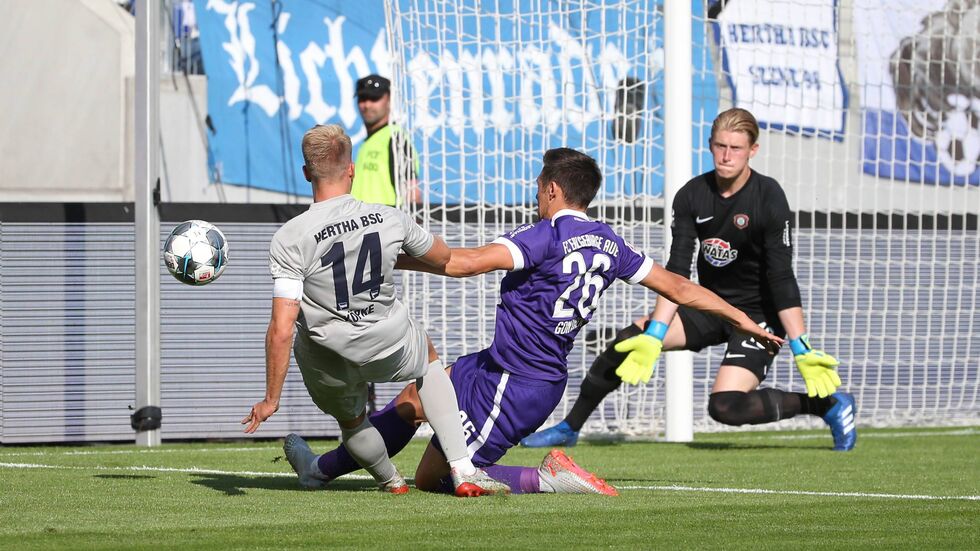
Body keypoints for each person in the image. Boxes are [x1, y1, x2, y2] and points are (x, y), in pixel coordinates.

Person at [282, 147, 784, 496]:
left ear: (552, 189)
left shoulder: (544, 235)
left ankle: (547, 479)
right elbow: (679, 286)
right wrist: (740, 317)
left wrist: (384, 256)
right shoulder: (611, 243)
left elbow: (462, 263)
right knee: (413, 400)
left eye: (539, 189)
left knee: (437, 478)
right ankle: (319, 470)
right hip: (500, 366)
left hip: (517, 383)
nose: (536, 197)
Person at [521, 108, 857, 452]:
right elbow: (677, 271)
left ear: (752, 151)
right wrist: (654, 334)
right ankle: (570, 428)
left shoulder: (768, 196)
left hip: (758, 316)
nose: (726, 156)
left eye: (736, 148)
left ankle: (828, 406)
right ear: (710, 145)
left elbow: (781, 276)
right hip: (711, 306)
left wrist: (801, 346)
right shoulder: (692, 195)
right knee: (627, 342)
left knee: (725, 407)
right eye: (720, 146)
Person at [241, 124, 509, 497]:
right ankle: (463, 470)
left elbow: (281, 328)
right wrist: (394, 254)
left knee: (352, 420)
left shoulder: (290, 237)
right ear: (350, 169)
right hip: (388, 339)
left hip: (328, 355)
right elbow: (442, 256)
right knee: (428, 362)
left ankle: (391, 481)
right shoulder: (389, 217)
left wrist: (271, 399)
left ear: (306, 173)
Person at [351, 74, 420, 206]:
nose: (367, 105)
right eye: (362, 98)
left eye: (374, 98)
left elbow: (412, 194)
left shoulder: (396, 138)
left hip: (386, 218)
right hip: (362, 217)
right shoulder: (367, 143)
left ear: (389, 99)